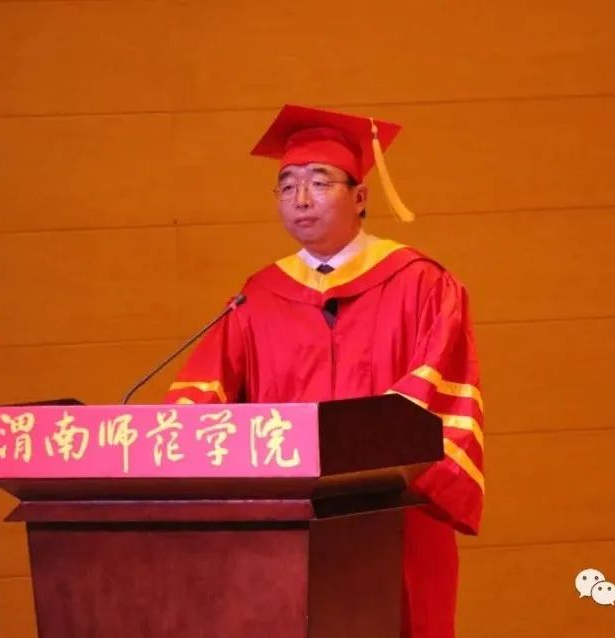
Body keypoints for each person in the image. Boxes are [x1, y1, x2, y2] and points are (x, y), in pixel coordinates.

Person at [163, 104, 485, 638]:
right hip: (287, 522)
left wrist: (362, 455)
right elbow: (199, 402)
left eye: (318, 182)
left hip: (393, 514)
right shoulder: (257, 298)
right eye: (287, 186)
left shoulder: (422, 285)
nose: (301, 199)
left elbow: (438, 398)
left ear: (360, 197)